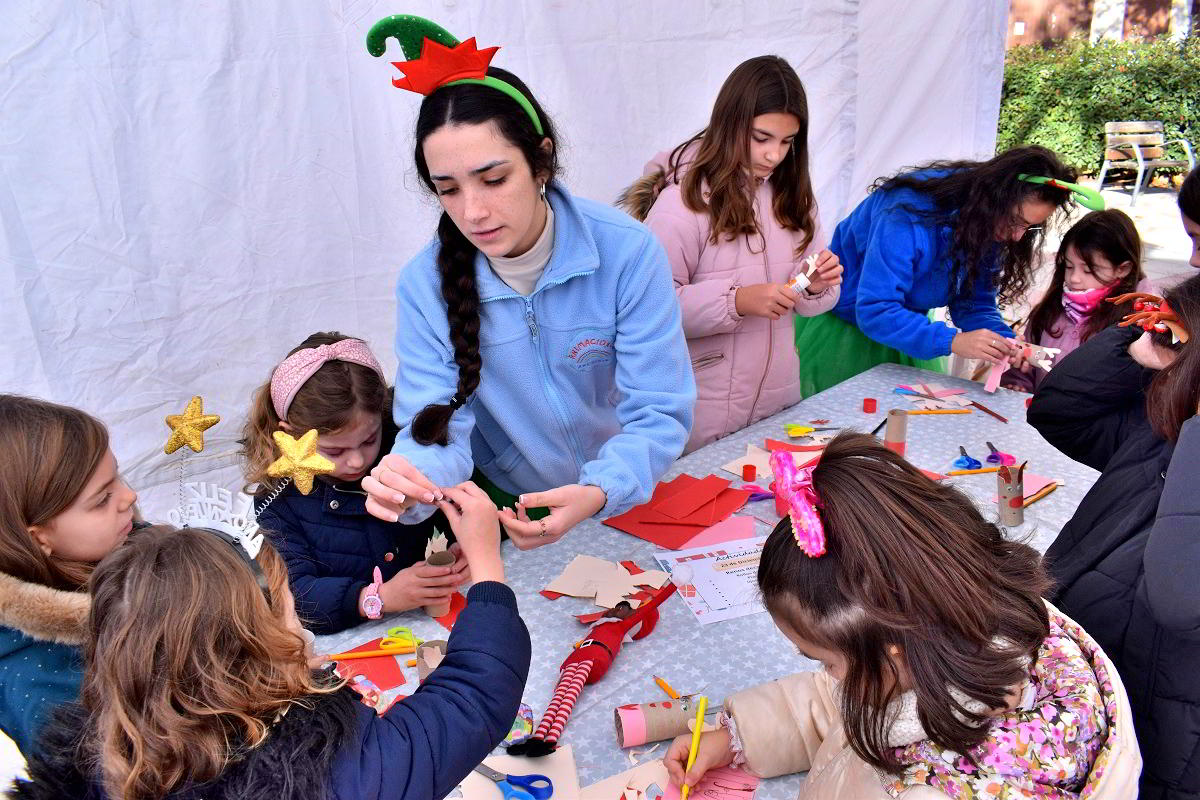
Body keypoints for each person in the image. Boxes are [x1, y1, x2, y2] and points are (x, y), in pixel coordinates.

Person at [361, 17, 694, 549]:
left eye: (494, 179)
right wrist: (409, 479)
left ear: (541, 162)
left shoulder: (627, 252)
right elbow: (437, 424)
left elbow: (658, 408)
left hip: (634, 488)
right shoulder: (424, 287)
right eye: (448, 190)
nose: (473, 211)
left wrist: (602, 488)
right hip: (520, 508)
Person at [664, 432, 1140, 799]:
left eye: (823, 660)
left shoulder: (940, 784)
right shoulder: (964, 643)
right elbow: (843, 704)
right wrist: (737, 738)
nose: (826, 674)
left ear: (892, 649)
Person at [11, 480, 529, 800]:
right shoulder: (343, 771)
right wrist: (486, 565)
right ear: (257, 637)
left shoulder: (103, 758)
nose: (298, 619)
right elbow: (473, 696)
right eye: (288, 603)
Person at [1028, 273, 1200, 798]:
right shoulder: (1160, 434)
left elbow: (1180, 597)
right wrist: (1133, 341)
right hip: (1087, 700)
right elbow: (1059, 411)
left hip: (1161, 746)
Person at [620, 55, 841, 452]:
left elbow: (808, 301)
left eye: (787, 142)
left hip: (778, 405)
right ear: (729, 122)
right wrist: (736, 300)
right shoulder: (682, 203)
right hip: (698, 414)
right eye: (762, 138)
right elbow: (645, 309)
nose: (774, 155)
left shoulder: (794, 200)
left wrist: (814, 284)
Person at [794, 146, 1076, 396]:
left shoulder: (991, 220)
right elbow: (875, 310)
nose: (1017, 236)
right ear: (994, 197)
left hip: (906, 332)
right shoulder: (906, 213)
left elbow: (974, 301)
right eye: (1016, 221)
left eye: (1029, 226)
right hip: (845, 334)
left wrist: (1001, 339)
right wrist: (952, 341)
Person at [242, 332, 467, 634]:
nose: (357, 461)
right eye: (335, 451)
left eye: (369, 440)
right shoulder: (279, 500)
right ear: (290, 434)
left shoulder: (408, 452)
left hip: (445, 620)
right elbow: (294, 596)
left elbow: (454, 503)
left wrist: (463, 544)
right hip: (360, 644)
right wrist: (378, 598)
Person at [0, 394, 138, 757]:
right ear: (38, 537)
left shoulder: (131, 549)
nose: (129, 496)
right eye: (101, 499)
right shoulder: (37, 677)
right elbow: (107, 772)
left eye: (117, 478)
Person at [1002, 209, 1148, 392]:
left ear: (1123, 269)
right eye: (1069, 266)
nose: (1074, 279)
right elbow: (1028, 369)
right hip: (1042, 415)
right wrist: (1018, 383)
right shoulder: (1050, 311)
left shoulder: (1136, 324)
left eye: (1088, 270)